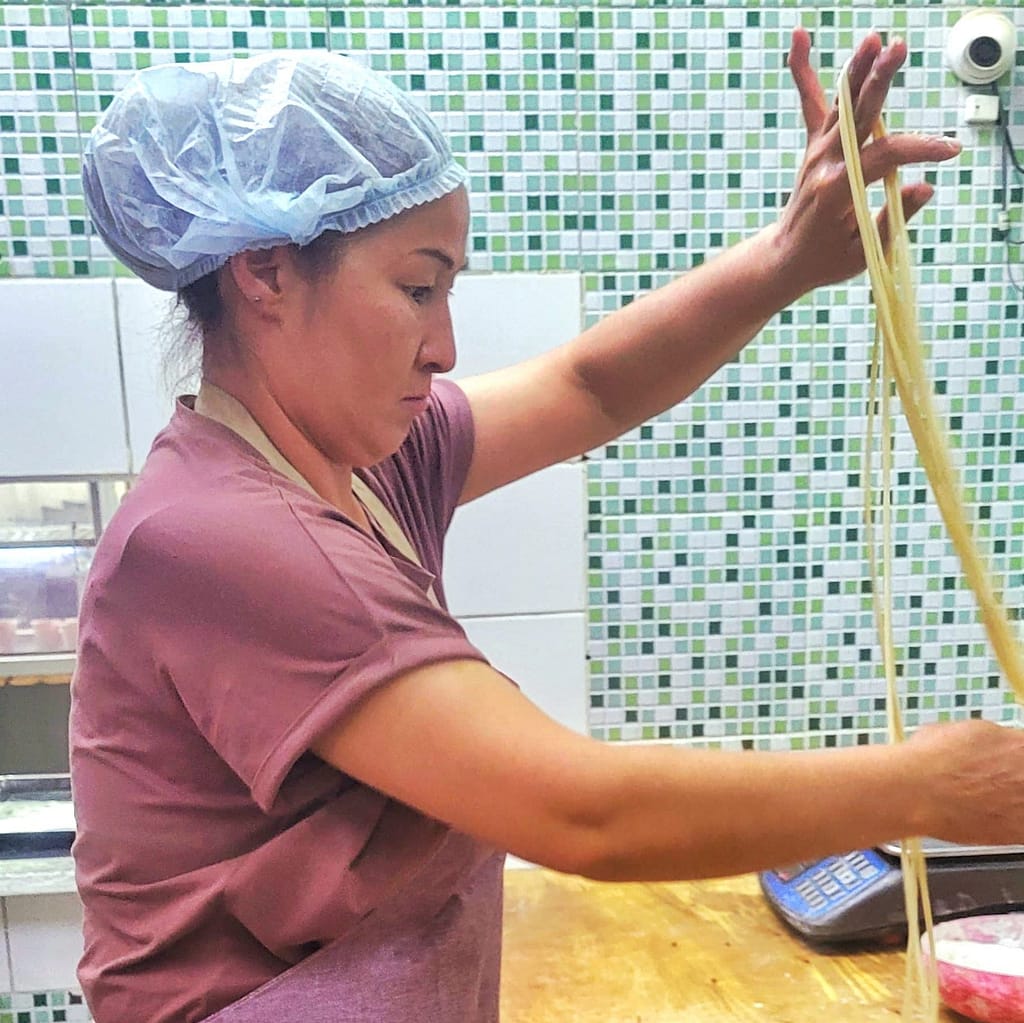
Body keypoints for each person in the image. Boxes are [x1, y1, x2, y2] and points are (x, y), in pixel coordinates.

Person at [70, 30, 1024, 1023]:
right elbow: (585, 813)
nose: (443, 346)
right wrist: (928, 788)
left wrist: (785, 259)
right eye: (417, 287)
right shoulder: (221, 538)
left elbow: (588, 386)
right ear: (266, 272)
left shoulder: (353, 469)